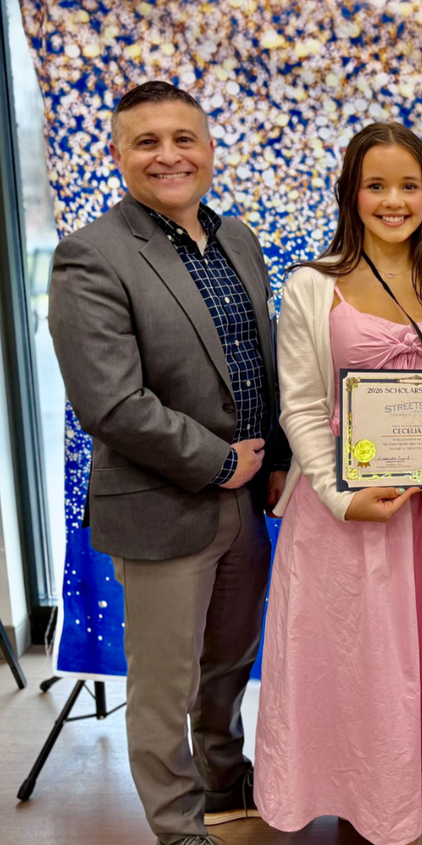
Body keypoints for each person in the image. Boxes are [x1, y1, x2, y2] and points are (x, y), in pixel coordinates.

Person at [48, 81, 290, 845]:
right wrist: (219, 462)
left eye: (184, 138)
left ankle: (224, 779)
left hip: (248, 501)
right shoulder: (91, 254)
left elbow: (262, 359)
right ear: (118, 154)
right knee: (164, 687)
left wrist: (275, 460)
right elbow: (110, 402)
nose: (168, 154)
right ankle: (179, 828)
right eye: (147, 141)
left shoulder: (239, 239)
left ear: (209, 149)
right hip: (165, 501)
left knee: (228, 663)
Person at [254, 122, 422, 845]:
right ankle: (360, 803)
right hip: (343, 515)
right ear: (351, 193)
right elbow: (297, 402)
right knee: (354, 663)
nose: (394, 200)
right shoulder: (310, 287)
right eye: (377, 184)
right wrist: (337, 495)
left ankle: (410, 798)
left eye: (409, 185)